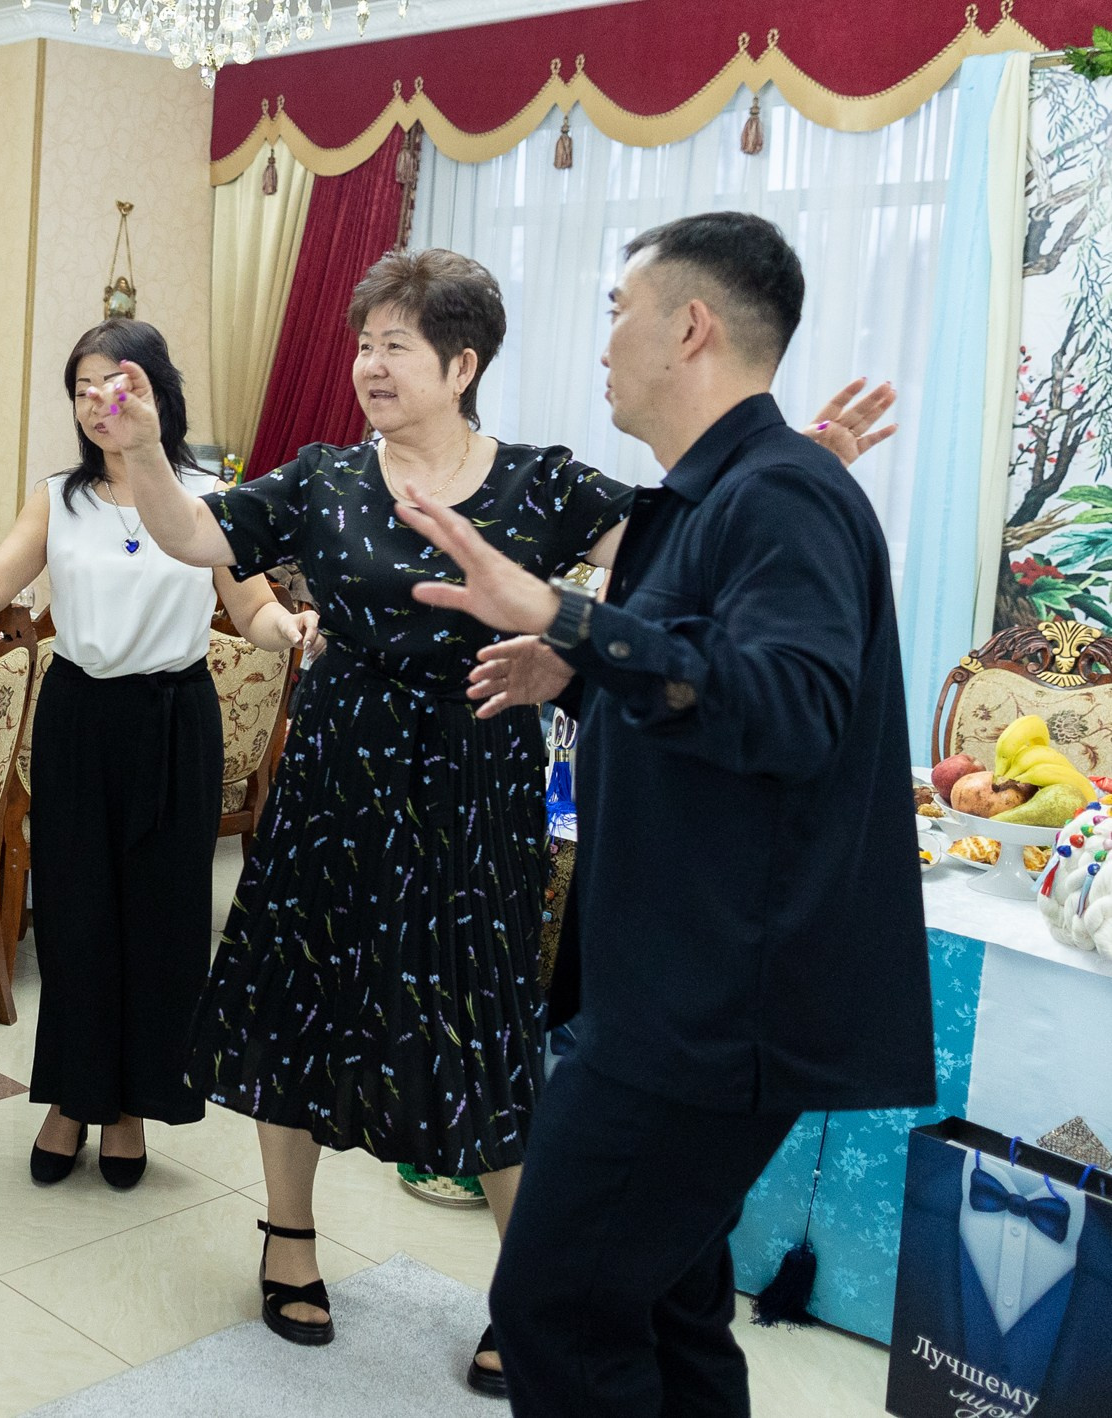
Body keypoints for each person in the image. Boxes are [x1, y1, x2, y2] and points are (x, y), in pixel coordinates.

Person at [96, 247, 895, 1391]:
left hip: (472, 787)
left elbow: (682, 556)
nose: (368, 364)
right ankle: (288, 1234)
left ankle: (531, 1283)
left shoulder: (539, 483)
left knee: (483, 1029)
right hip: (334, 779)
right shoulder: (323, 477)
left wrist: (790, 475)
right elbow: (196, 536)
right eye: (361, 343)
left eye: (395, 344)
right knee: (299, 1002)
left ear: (460, 364)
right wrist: (138, 453)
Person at [397, 212, 934, 1417]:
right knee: (661, 1303)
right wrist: (573, 665)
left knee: (555, 1304)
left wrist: (562, 612)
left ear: (688, 326)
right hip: (667, 979)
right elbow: (700, 672)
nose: (600, 344)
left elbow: (787, 709)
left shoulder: (780, 491)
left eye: (615, 312)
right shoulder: (720, 494)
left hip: (710, 1004)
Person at [0, 319, 316, 1189]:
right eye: (81, 388)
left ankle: (131, 1110)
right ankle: (70, 1101)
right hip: (80, 719)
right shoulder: (59, 497)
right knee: (77, 917)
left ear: (153, 393)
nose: (94, 402)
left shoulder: (206, 497)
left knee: (162, 924)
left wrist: (290, 630)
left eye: (111, 385)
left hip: (175, 722)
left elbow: (253, 607)